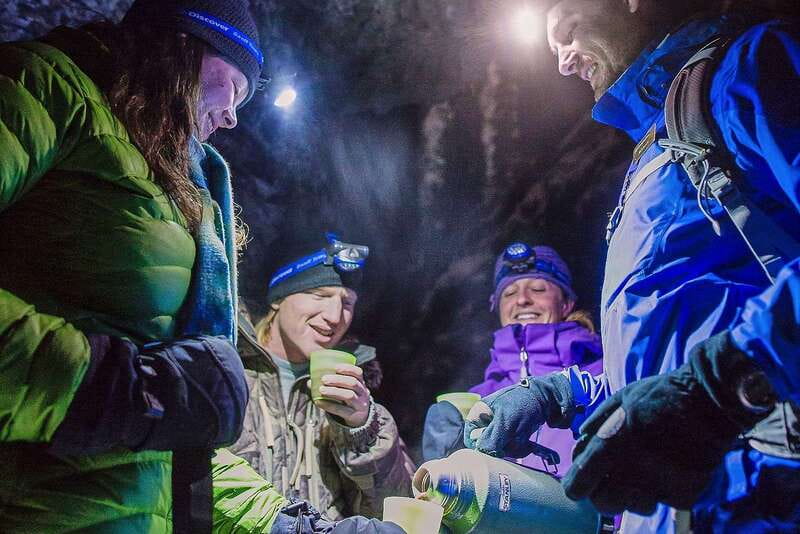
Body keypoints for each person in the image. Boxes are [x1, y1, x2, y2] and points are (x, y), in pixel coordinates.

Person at [0, 1, 405, 532]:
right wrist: (115, 387)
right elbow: (151, 399)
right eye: (233, 86)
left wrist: (290, 525)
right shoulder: (45, 89)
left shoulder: (178, 183)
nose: (235, 116)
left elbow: (180, 444)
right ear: (183, 45)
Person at [464, 1, 800, 532]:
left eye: (568, 31)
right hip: (679, 512)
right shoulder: (654, 151)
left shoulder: (743, 74)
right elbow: (664, 369)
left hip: (767, 493)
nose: (563, 64)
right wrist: (561, 394)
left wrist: (722, 388)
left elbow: (694, 386)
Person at [231, 235, 417, 521]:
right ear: (279, 298)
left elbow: (399, 511)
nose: (334, 317)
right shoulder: (228, 375)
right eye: (319, 295)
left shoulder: (353, 392)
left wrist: (363, 430)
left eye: (347, 303)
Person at [422, 242, 602, 476]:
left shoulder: (601, 376)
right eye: (509, 293)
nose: (522, 300)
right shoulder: (481, 399)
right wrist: (451, 463)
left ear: (566, 303)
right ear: (498, 308)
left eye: (538, 289)